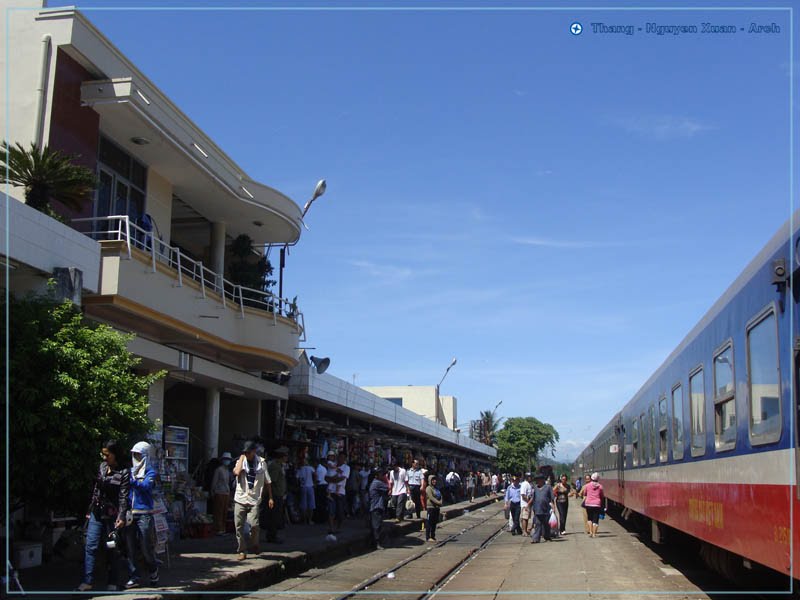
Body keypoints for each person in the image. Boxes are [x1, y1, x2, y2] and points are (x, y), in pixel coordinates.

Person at [77, 440, 130, 592]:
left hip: (112, 514)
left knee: (112, 547)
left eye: (107, 454)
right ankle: (87, 581)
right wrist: (90, 509)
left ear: (115, 454)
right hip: (97, 511)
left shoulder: (124, 472)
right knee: (91, 545)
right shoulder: (102, 467)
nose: (104, 457)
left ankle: (113, 581)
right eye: (103, 454)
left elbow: (123, 496)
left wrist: (121, 516)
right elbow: (96, 489)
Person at [124, 441, 159, 589]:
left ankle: (153, 570)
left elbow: (145, 486)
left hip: (144, 514)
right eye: (134, 455)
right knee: (130, 547)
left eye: (139, 455)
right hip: (130, 514)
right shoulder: (129, 470)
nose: (136, 457)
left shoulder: (150, 472)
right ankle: (134, 576)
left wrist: (132, 481)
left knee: (145, 547)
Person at [232, 440, 273, 560]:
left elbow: (268, 481)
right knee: (238, 526)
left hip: (254, 498)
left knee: (254, 525)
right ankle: (242, 550)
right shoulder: (241, 461)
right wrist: (241, 458)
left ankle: (255, 543)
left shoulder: (261, 463)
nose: (247, 454)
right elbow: (236, 472)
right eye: (245, 452)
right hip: (241, 497)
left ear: (254, 452)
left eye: (248, 452)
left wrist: (270, 497)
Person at [265, 447, 289, 543]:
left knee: (277, 516)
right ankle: (272, 536)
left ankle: (273, 535)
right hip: (274, 495)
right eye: (285, 456)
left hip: (279, 494)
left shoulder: (279, 466)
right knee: (273, 517)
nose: (287, 458)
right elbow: (271, 481)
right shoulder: (275, 466)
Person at [326, 452, 350, 533]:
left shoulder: (346, 467)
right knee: (331, 511)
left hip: (341, 492)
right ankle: (331, 528)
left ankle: (338, 527)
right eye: (340, 457)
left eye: (343, 458)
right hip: (331, 491)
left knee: (340, 512)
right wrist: (332, 479)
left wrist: (332, 479)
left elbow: (342, 478)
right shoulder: (333, 465)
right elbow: (326, 478)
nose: (341, 459)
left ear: (345, 459)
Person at [211, 452, 233, 535]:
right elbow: (214, 482)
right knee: (219, 511)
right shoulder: (218, 470)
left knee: (224, 512)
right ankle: (218, 528)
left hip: (226, 493)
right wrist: (212, 491)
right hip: (219, 492)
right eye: (226, 459)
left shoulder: (227, 471)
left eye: (228, 459)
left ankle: (222, 528)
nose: (227, 461)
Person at [529, 472, 555, 544]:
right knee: (537, 524)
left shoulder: (548, 487)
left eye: (539, 480)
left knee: (546, 524)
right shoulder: (535, 488)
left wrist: (553, 507)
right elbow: (533, 498)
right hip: (537, 509)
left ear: (543, 480)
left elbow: (552, 498)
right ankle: (536, 538)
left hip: (546, 509)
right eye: (537, 480)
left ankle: (547, 536)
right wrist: (529, 506)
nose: (538, 481)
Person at [368, 467, 389, 549]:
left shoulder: (374, 482)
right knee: (376, 526)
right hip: (376, 506)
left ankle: (376, 542)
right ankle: (377, 543)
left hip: (376, 506)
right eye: (381, 474)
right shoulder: (377, 483)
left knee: (377, 525)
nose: (382, 475)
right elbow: (388, 487)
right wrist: (386, 479)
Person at [584, 472, 606, 538]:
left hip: (588, 504)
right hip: (597, 504)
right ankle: (594, 534)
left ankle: (590, 532)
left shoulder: (587, 485)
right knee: (595, 520)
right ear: (598, 479)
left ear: (591, 478)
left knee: (589, 518)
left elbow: (585, 493)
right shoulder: (600, 486)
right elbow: (602, 495)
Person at [296, 457, 316, 525]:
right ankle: (310, 520)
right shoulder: (310, 468)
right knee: (311, 504)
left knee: (303, 504)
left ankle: (304, 520)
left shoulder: (299, 469)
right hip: (310, 486)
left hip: (303, 487)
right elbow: (315, 474)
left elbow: (297, 478)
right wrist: (314, 482)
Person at [425, 474, 443, 542]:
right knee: (429, 522)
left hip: (436, 508)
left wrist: (441, 502)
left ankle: (433, 536)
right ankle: (428, 537)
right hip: (431, 508)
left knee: (434, 523)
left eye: (435, 480)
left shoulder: (436, 488)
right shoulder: (428, 488)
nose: (434, 481)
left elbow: (440, 496)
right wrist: (438, 503)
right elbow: (431, 497)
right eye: (433, 480)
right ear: (430, 481)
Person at [314, 455, 331, 524]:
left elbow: (318, 480)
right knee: (323, 503)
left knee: (320, 503)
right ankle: (323, 518)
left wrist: (314, 484)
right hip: (324, 486)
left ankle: (321, 518)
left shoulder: (319, 469)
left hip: (321, 487)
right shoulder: (323, 468)